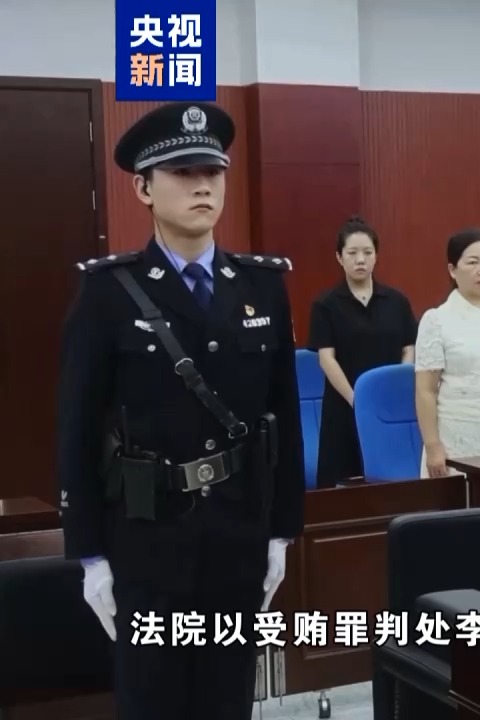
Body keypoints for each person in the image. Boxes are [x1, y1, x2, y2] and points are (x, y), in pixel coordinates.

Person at [55, 102, 304, 719]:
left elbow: (283, 413)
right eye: (183, 173)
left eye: (212, 172)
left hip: (237, 534)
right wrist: (89, 553)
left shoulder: (261, 286)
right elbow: (77, 427)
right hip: (146, 538)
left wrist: (282, 531)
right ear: (143, 188)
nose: (202, 187)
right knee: (153, 700)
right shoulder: (108, 292)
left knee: (226, 699)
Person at [308, 216, 417, 487]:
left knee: (391, 480)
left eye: (367, 253)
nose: (360, 260)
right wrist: (358, 401)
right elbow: (326, 359)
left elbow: (408, 349)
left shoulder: (397, 301)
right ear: (339, 257)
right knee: (343, 485)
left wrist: (391, 393)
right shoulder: (326, 304)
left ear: (376, 256)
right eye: (352, 253)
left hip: (388, 408)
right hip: (345, 405)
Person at [415, 229, 480, 477]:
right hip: (457, 437)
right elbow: (426, 390)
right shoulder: (437, 320)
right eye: (473, 263)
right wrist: (433, 446)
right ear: (452, 270)